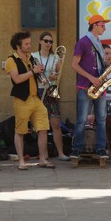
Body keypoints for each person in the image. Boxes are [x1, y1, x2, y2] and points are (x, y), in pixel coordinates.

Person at [5, 31, 55, 170]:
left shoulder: (31, 58)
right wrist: (33, 71)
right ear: (18, 46)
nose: (29, 46)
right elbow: (17, 79)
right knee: (20, 131)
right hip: (21, 99)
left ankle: (42, 159)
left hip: (35, 98)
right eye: (26, 44)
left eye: (29, 43)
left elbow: (37, 76)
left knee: (43, 128)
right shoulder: (11, 60)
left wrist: (41, 72)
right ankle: (21, 161)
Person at [70, 14, 110, 159]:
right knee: (81, 119)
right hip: (85, 86)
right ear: (94, 25)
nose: (104, 28)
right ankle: (77, 149)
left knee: (101, 119)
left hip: (99, 87)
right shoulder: (83, 42)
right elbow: (74, 65)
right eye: (102, 25)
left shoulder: (99, 42)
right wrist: (91, 77)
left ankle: (100, 148)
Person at [31, 32, 69, 161]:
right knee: (42, 125)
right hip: (39, 91)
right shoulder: (33, 56)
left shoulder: (55, 57)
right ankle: (44, 154)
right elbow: (30, 74)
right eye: (46, 41)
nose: (48, 44)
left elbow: (58, 73)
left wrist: (55, 76)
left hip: (51, 90)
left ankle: (60, 153)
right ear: (40, 41)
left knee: (55, 123)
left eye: (51, 42)